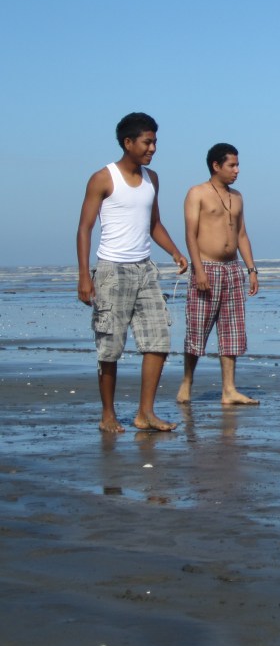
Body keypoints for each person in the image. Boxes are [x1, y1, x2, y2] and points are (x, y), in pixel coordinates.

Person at [76, 112, 188, 433]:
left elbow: (154, 224)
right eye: (147, 141)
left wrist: (176, 252)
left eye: (155, 142)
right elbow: (84, 229)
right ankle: (108, 415)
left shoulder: (153, 178)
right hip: (112, 270)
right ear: (128, 142)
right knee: (110, 346)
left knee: (158, 341)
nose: (152, 148)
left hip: (145, 270)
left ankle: (145, 413)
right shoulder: (103, 178)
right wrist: (85, 276)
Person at [176, 143, 260, 406]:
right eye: (231, 165)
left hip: (232, 269)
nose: (237, 170)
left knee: (232, 331)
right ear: (216, 165)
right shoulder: (197, 193)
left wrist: (252, 269)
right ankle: (187, 382)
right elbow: (190, 233)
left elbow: (242, 234)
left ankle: (229, 390)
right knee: (197, 330)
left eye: (237, 165)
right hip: (207, 267)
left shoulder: (237, 196)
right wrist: (198, 268)